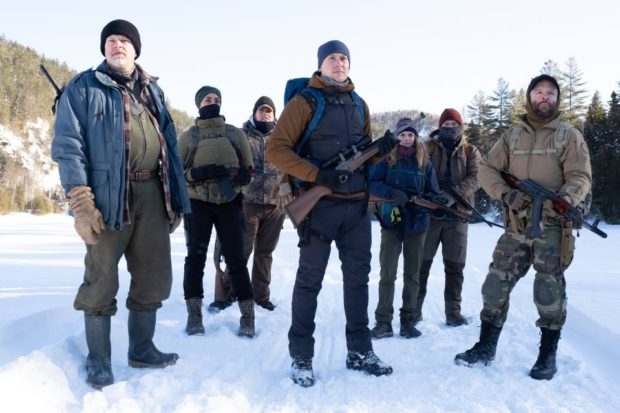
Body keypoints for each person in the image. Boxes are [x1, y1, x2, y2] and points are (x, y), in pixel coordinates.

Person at [51, 19, 191, 389]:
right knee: (101, 280)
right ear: (104, 49)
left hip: (152, 196)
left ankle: (142, 349)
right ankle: (99, 360)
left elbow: (171, 149)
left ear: (136, 49)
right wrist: (81, 203)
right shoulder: (83, 88)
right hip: (106, 199)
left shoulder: (154, 91)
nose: (118, 45)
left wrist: (175, 198)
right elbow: (68, 146)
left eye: (125, 41)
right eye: (111, 40)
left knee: (153, 277)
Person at [266, 40, 398, 387]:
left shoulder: (360, 104)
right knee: (309, 283)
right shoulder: (305, 101)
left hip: (356, 209)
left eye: (343, 58)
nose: (338, 63)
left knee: (358, 283)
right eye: (331, 58)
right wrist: (317, 175)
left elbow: (364, 161)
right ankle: (302, 358)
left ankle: (360, 351)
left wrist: (380, 151)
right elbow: (275, 150)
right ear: (320, 65)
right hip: (319, 208)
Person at [454, 74, 592, 380]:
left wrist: (565, 199)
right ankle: (485, 347)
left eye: (550, 93)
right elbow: (487, 168)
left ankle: (547, 356)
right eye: (539, 92)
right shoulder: (512, 136)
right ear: (529, 97)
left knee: (548, 290)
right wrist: (506, 193)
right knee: (494, 286)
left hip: (552, 227)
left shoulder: (568, 135)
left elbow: (580, 175)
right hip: (516, 226)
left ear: (557, 99)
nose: (544, 97)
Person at [179, 85, 257, 338]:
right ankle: (194, 315)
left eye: (216, 99)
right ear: (198, 104)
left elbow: (249, 172)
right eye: (207, 99)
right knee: (195, 260)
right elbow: (175, 176)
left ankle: (248, 317)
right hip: (198, 204)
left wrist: (235, 174)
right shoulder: (188, 137)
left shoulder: (235, 134)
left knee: (237, 260)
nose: (212, 102)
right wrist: (196, 174)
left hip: (229, 202)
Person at [212, 97, 291, 312]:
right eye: (261, 110)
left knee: (265, 254)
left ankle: (261, 296)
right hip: (248, 204)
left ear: (274, 115)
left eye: (269, 111)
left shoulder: (283, 138)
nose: (265, 114)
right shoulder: (241, 135)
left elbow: (288, 172)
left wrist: (287, 200)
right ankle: (227, 294)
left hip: (276, 206)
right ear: (254, 113)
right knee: (240, 252)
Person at [369, 117, 439, 340]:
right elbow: (371, 183)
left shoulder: (424, 162)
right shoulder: (386, 160)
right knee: (387, 274)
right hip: (391, 222)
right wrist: (392, 194)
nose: (406, 138)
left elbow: (433, 192)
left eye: (410, 135)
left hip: (417, 224)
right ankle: (383, 322)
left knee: (412, 275)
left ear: (416, 137)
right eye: (403, 134)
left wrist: (431, 202)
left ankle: (408, 321)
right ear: (397, 136)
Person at [413, 108, 481, 327]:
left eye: (454, 125)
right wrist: (434, 196)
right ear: (439, 127)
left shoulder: (471, 151)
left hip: (458, 217)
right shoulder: (426, 147)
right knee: (421, 266)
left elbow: (477, 177)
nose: (450, 129)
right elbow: (417, 172)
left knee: (455, 268)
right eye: (446, 125)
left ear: (461, 126)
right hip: (430, 216)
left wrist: (453, 196)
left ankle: (454, 313)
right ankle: (413, 312)